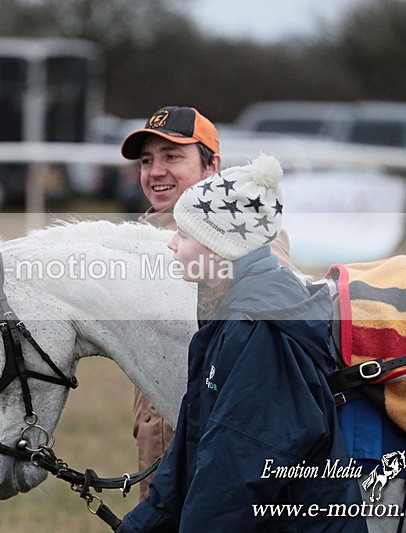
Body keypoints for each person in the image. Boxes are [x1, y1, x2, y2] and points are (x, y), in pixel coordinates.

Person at [117, 154, 365, 531]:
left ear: (218, 252)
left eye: (183, 234)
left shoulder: (261, 333)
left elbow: (233, 478)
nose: (170, 243)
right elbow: (191, 451)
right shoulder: (225, 318)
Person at [119, 106, 298, 499]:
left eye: (172, 156)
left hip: (223, 443)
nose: (156, 171)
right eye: (147, 160)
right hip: (155, 438)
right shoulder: (134, 241)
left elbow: (273, 304)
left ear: (211, 166)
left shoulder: (249, 233)